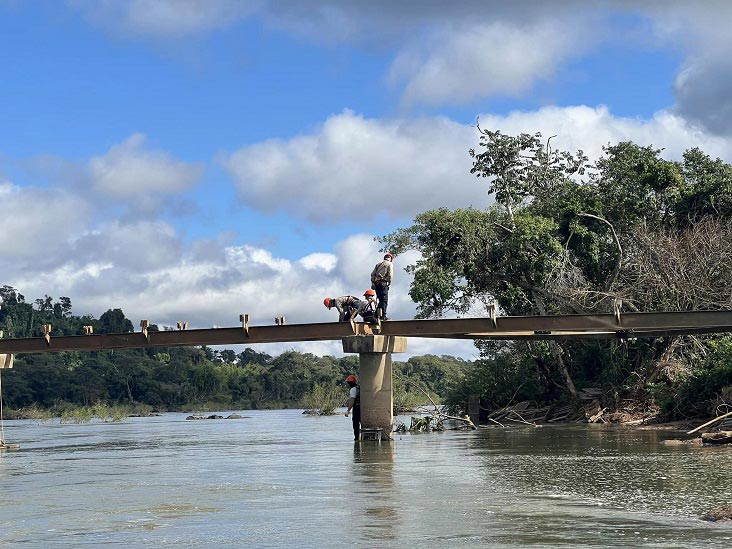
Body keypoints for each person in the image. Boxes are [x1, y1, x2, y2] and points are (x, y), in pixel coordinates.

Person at [370, 253, 394, 320]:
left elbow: (372, 274)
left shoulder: (378, 264)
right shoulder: (389, 264)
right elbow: (390, 275)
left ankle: (376, 315)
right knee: (384, 300)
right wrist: (389, 284)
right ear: (391, 259)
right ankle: (383, 315)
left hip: (377, 284)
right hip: (383, 284)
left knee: (381, 300)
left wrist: (373, 283)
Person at [344, 374, 361, 440]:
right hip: (362, 407)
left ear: (350, 383)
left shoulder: (353, 390)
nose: (348, 384)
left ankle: (357, 438)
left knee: (356, 423)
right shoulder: (359, 388)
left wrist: (348, 410)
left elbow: (352, 400)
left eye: (348, 382)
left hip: (357, 408)